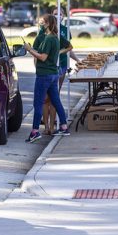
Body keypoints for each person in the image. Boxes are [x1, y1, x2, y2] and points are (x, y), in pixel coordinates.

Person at [24, 13, 70, 142]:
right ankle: (64, 126)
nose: (41, 24)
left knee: (38, 103)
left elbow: (43, 57)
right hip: (53, 74)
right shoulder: (54, 38)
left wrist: (29, 49)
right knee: (56, 101)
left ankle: (35, 131)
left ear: (49, 23)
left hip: (44, 75)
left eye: (43, 22)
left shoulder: (49, 39)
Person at [42, 10, 74, 134]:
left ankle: (55, 124)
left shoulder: (64, 30)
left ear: (64, 16)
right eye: (56, 13)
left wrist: (75, 60)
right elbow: (38, 51)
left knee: (54, 96)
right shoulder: (43, 31)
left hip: (60, 65)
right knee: (46, 98)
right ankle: (47, 125)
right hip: (46, 68)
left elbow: (69, 47)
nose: (58, 15)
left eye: (60, 13)